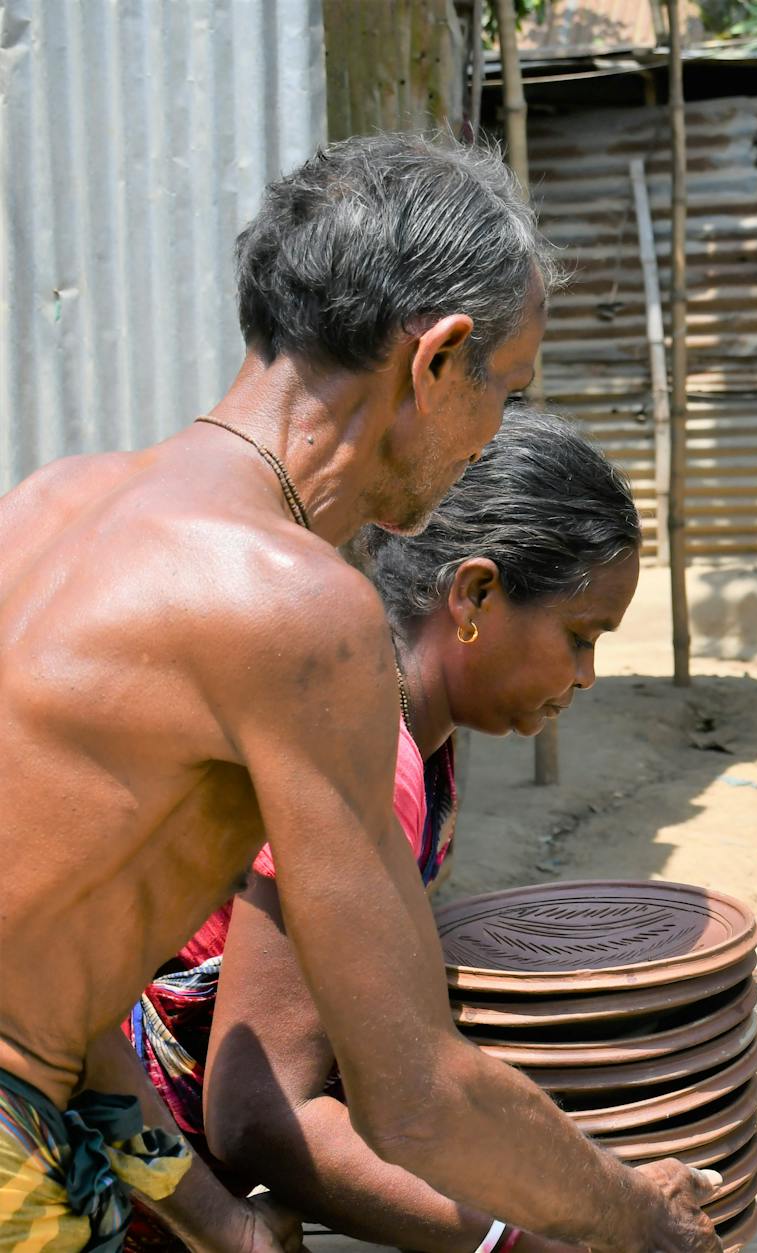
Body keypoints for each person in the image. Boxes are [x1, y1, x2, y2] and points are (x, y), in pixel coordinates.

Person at [0, 134, 717, 1252]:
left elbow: (60, 981)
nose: (492, 439)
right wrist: (637, 1226)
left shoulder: (47, 502)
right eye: (507, 390)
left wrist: (216, 1224)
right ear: (436, 361)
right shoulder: (298, 608)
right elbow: (417, 1094)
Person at [121, 408, 641, 1253]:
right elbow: (257, 1110)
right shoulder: (366, 753)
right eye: (580, 637)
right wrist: (511, 1240)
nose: (587, 676)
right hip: (112, 1181)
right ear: (473, 596)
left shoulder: (411, 736)